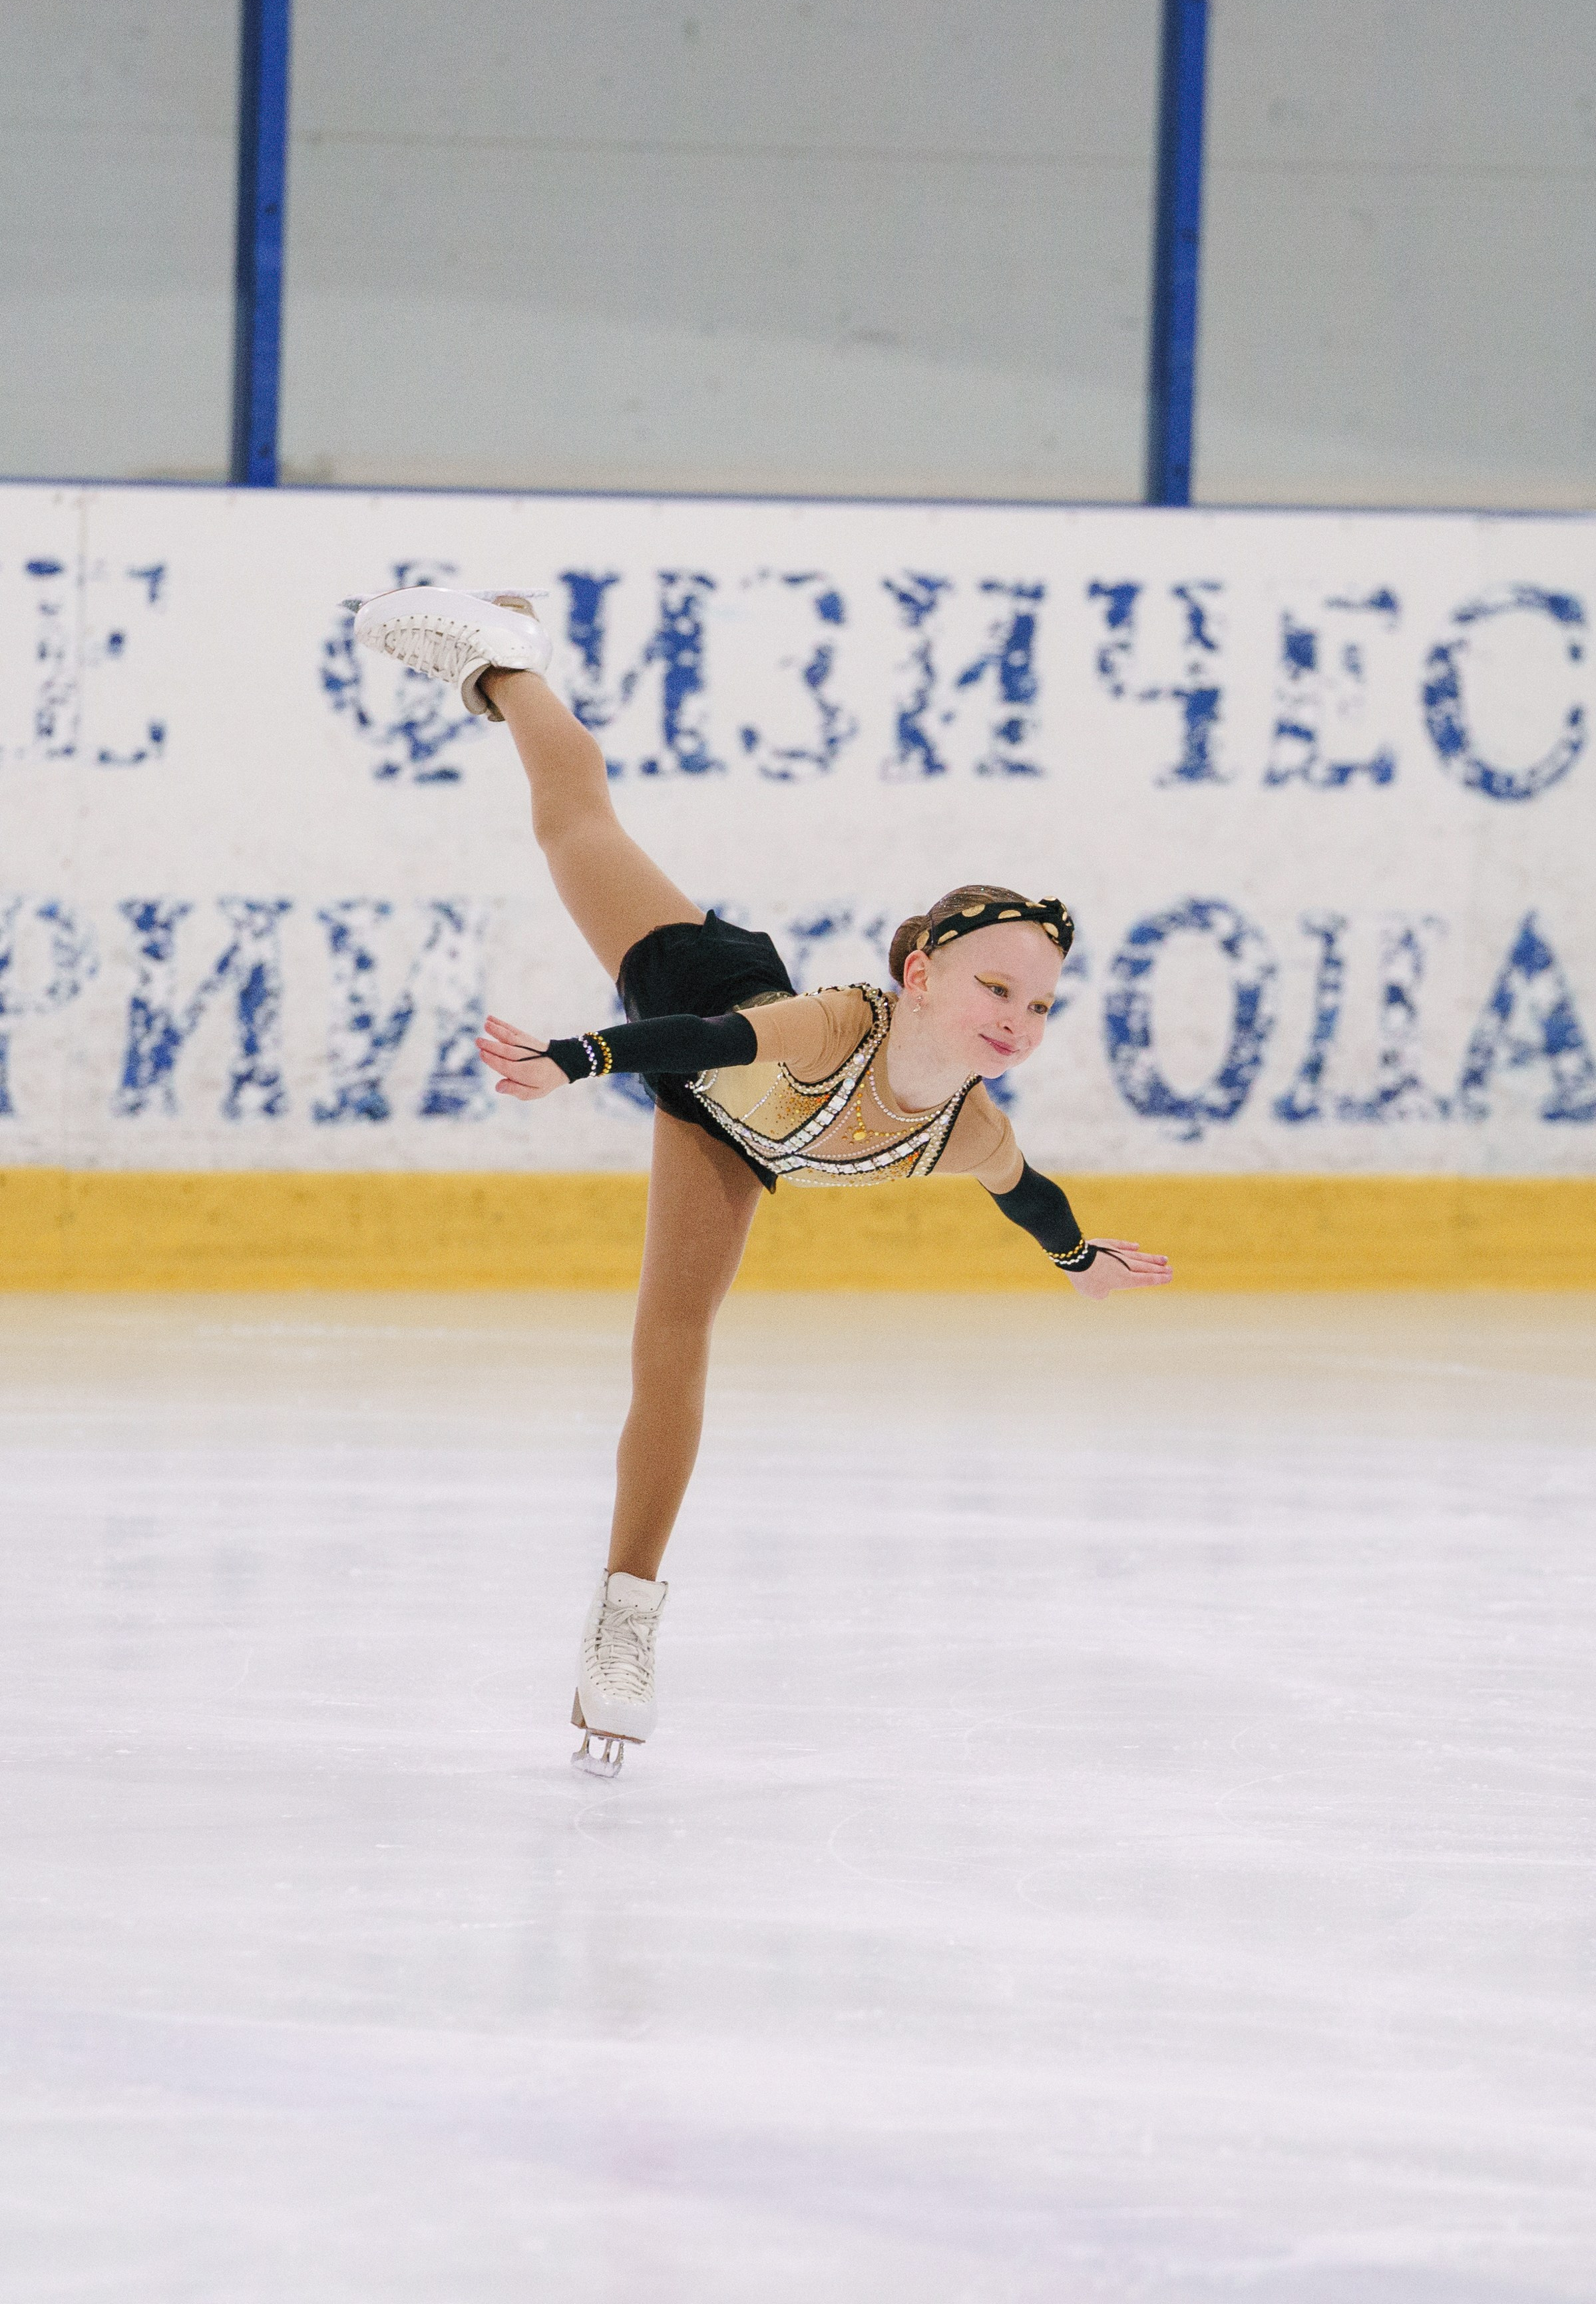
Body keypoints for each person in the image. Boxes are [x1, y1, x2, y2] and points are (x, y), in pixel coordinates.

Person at [348, 586, 1172, 1776]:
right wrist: (576, 1059)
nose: (1018, 1019)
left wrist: (1075, 1257)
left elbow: (1027, 1192)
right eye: (996, 988)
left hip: (731, 1136)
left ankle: (620, 1628)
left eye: (1039, 1005)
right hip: (700, 1007)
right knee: (574, 827)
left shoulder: (967, 1133)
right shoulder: (837, 1024)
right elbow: (709, 1042)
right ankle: (506, 661)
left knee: (676, 1336)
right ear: (921, 975)